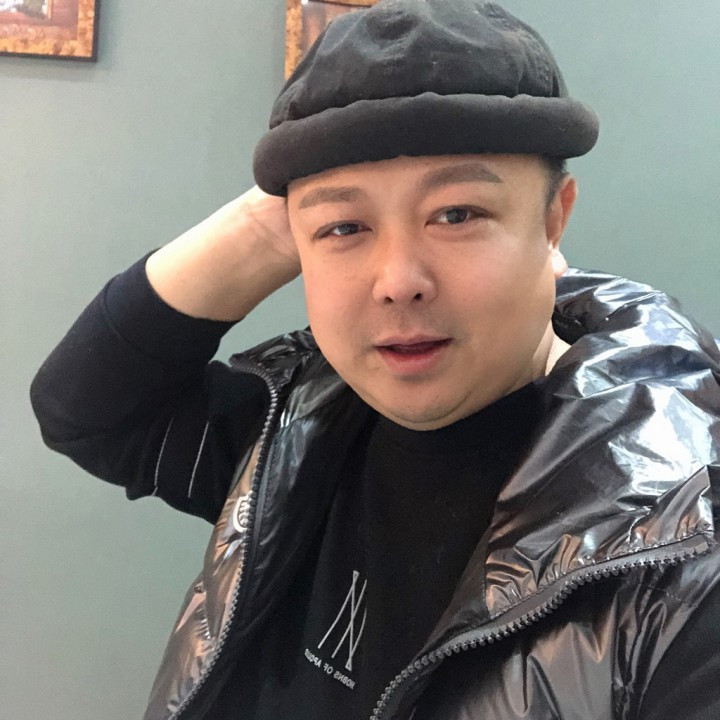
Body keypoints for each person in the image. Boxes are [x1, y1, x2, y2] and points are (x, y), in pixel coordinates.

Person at [30, 1, 720, 719]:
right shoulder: (292, 435)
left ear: (553, 220)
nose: (398, 281)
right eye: (344, 229)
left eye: (456, 214)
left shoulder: (678, 554)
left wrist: (335, 203)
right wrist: (277, 213)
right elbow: (88, 410)